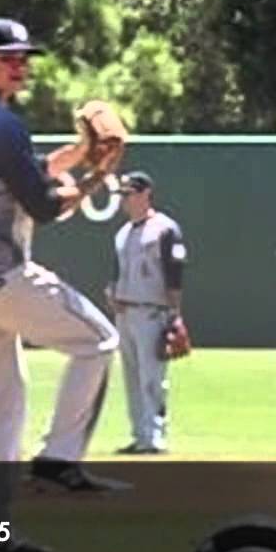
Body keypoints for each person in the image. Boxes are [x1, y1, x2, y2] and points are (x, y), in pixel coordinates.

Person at [0, 17, 126, 552]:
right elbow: (42, 204)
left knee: (1, 407)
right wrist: (96, 176)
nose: (19, 66)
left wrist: (80, 153)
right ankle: (58, 461)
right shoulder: (2, 123)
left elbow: (20, 171)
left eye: (23, 57)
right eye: (7, 57)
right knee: (99, 341)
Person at [104, 171, 189, 454]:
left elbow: (174, 274)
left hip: (152, 312)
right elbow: (117, 271)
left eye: (129, 194)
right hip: (125, 313)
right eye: (123, 195)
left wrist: (174, 314)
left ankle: (155, 437)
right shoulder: (122, 233)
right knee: (132, 378)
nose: (124, 200)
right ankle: (140, 435)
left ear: (145, 194)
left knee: (151, 378)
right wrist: (112, 292)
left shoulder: (165, 229)